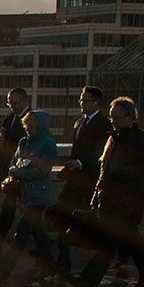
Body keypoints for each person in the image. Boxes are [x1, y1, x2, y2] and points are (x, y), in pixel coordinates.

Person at [72, 97, 144, 287]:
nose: (114, 121)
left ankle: (89, 280)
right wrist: (97, 196)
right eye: (112, 118)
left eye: (118, 118)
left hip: (128, 200)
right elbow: (104, 170)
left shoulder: (142, 140)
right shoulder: (114, 137)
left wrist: (129, 174)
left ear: (130, 117)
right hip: (111, 199)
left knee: (109, 243)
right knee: (131, 240)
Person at [51, 86, 111, 274]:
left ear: (97, 103)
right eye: (81, 101)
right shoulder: (79, 123)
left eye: (86, 101)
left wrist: (80, 162)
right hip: (74, 179)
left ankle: (71, 259)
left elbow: (102, 153)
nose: (82, 104)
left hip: (89, 180)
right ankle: (63, 259)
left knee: (81, 220)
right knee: (62, 215)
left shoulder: (103, 125)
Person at [2, 107, 58, 273]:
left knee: (21, 232)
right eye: (26, 126)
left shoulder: (48, 144)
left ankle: (4, 268)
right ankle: (49, 265)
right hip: (23, 193)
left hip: (38, 195)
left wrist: (19, 173)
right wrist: (13, 170)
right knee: (38, 233)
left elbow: (42, 171)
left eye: (31, 127)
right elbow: (14, 162)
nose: (28, 130)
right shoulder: (23, 142)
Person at [0, 87, 32, 239]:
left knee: (12, 210)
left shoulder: (31, 120)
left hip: (19, 174)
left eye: (15, 102)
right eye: (9, 103)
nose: (12, 105)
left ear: (25, 101)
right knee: (15, 210)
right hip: (7, 171)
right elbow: (2, 145)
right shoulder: (9, 119)